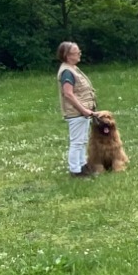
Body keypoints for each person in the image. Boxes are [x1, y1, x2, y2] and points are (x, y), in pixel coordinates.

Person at [56, 40, 103, 176]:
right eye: (77, 52)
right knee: (77, 142)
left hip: (83, 113)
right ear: (67, 55)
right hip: (76, 113)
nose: (79, 54)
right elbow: (68, 94)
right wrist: (83, 110)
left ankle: (83, 166)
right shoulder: (67, 72)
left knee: (83, 141)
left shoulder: (73, 68)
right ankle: (75, 170)